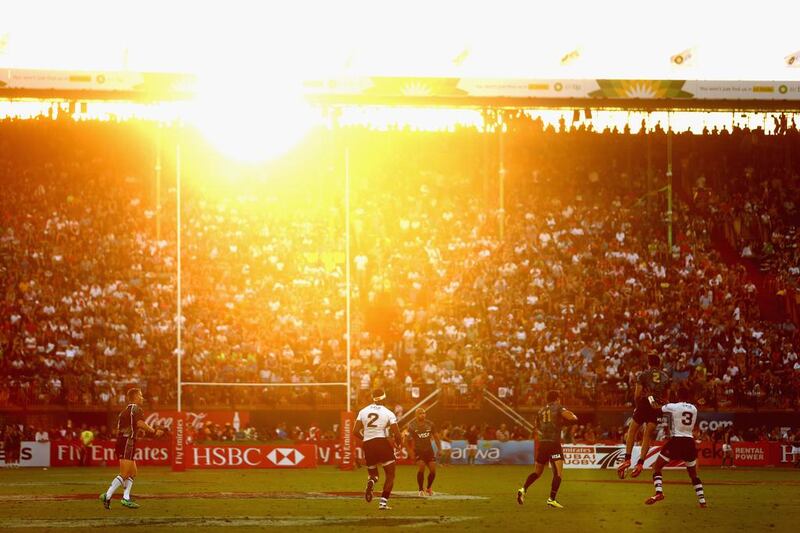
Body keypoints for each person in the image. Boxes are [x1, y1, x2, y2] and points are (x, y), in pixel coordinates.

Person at [100, 388, 164, 510]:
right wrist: (154, 431)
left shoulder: (124, 411)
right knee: (124, 473)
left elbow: (128, 427)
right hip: (127, 442)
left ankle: (126, 497)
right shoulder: (136, 408)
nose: (142, 397)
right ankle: (108, 496)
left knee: (132, 472)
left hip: (124, 441)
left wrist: (139, 433)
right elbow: (139, 423)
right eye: (140, 395)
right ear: (135, 397)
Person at [644, 387, 707, 507]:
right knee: (693, 474)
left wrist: (650, 397)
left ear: (678, 395)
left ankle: (659, 492)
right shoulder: (694, 408)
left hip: (677, 440)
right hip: (689, 442)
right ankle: (702, 501)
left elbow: (655, 408)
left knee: (657, 467)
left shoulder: (674, 406)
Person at [517, 390, 578, 509]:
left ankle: (523, 489)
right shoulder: (559, 408)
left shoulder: (540, 411)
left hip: (543, 444)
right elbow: (572, 418)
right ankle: (552, 499)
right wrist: (569, 420)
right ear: (557, 398)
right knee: (558, 474)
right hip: (554, 444)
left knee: (537, 472)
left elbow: (538, 426)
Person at [618, 352, 671, 479]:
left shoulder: (643, 375)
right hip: (657, 407)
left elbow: (637, 394)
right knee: (648, 435)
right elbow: (667, 397)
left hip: (644, 404)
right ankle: (641, 463)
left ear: (649, 363)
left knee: (632, 431)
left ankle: (627, 459)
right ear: (659, 363)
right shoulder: (666, 377)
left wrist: (638, 406)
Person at [353, 388, 402, 511]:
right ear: (384, 398)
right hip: (382, 443)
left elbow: (355, 431)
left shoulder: (363, 411)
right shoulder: (388, 413)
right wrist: (399, 444)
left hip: (368, 444)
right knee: (390, 475)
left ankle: (371, 482)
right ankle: (383, 503)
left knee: (373, 474)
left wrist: (366, 438)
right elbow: (397, 433)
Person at [406, 408, 442, 496]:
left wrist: (439, 449)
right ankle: (420, 490)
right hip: (418, 451)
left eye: (424, 413)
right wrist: (410, 451)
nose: (423, 415)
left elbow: (436, 437)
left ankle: (428, 488)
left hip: (429, 450)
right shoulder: (411, 425)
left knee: (433, 471)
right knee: (421, 467)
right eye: (420, 413)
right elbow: (407, 440)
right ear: (416, 415)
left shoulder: (430, 424)